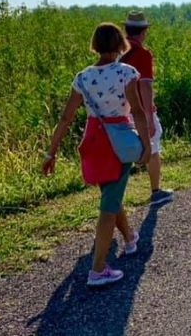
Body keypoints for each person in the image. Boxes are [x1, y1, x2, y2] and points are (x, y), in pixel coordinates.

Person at [42, 23, 151, 287]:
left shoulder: (82, 77)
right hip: (118, 138)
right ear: (119, 45)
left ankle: (130, 239)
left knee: (110, 194)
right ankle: (98, 269)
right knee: (108, 204)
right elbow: (136, 110)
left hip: (93, 138)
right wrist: (146, 145)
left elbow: (66, 117)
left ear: (95, 45)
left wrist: (51, 151)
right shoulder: (126, 73)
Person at [121, 10, 174, 205]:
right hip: (138, 110)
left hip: (118, 111)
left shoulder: (117, 53)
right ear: (143, 31)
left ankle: (117, 199)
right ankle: (155, 191)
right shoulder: (142, 54)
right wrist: (149, 116)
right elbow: (145, 85)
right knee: (152, 147)